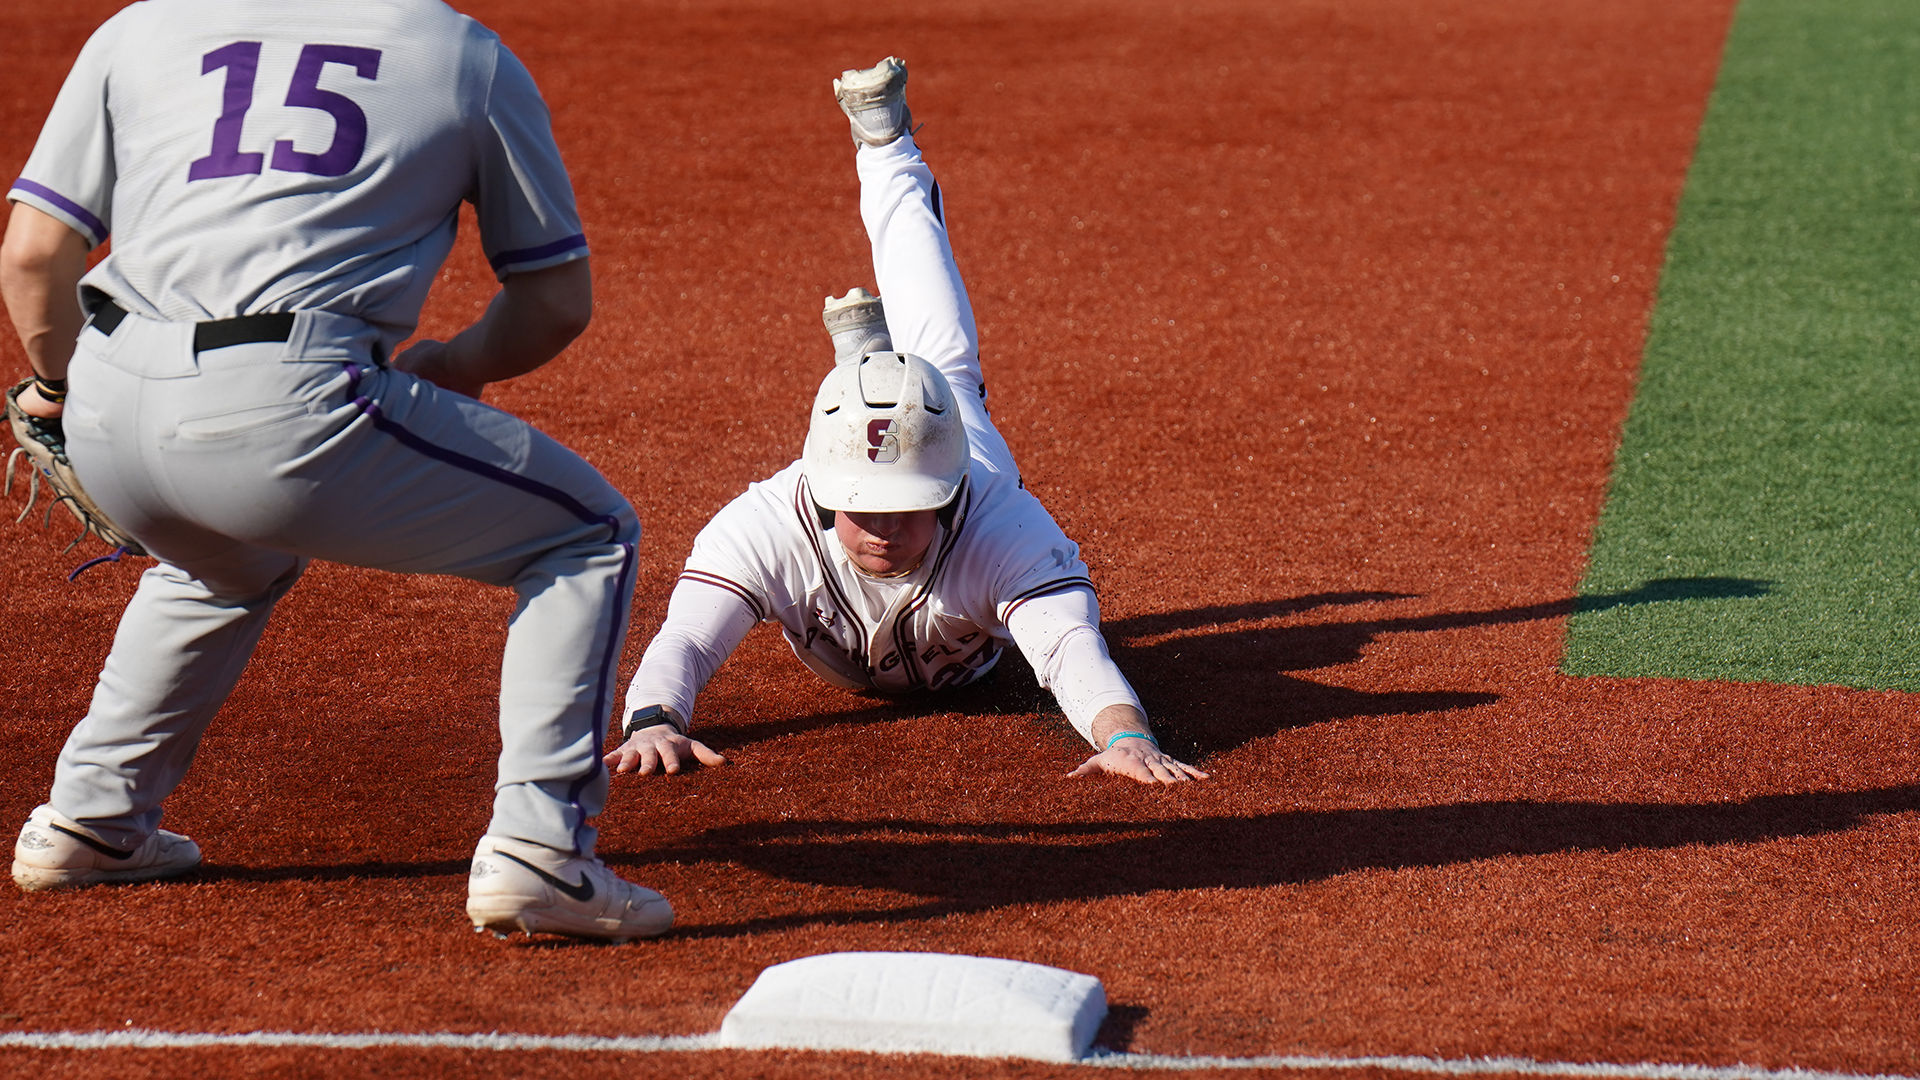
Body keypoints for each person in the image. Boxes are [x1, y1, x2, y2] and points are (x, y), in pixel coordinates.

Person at [4, 0, 671, 942]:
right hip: (287, 401)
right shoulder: (461, 53)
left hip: (108, 386)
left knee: (222, 562)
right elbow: (555, 300)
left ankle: (91, 820)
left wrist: (63, 388)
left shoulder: (140, 26)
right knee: (586, 534)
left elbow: (35, 255)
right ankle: (542, 851)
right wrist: (452, 366)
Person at [605, 58, 1208, 786]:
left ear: (947, 494)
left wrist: (1124, 735)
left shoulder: (999, 520)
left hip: (957, 448)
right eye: (862, 508)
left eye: (906, 507)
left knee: (948, 379)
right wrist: (655, 720)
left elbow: (1070, 650)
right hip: (910, 480)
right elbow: (687, 642)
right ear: (825, 496)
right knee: (938, 371)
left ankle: (885, 151)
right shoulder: (766, 523)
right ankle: (868, 343)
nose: (884, 530)